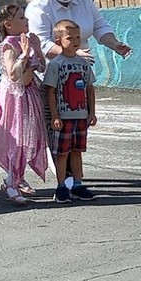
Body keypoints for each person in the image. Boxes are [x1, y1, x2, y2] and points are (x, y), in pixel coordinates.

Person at [0, 2, 48, 204]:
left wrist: (36, 50)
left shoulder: (25, 40)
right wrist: (25, 53)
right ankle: (11, 181)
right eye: (21, 17)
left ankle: (16, 177)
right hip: (14, 96)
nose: (26, 20)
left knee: (28, 138)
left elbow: (41, 66)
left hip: (28, 94)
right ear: (8, 25)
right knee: (16, 138)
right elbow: (13, 73)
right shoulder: (10, 43)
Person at [25, 0, 132, 67]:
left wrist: (114, 44)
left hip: (82, 67)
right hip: (51, 71)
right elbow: (41, 44)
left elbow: (99, 26)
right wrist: (72, 54)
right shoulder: (39, 7)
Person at [43, 19, 97, 204]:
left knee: (77, 151)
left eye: (77, 37)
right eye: (70, 37)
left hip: (80, 115)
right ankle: (60, 187)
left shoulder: (83, 63)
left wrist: (91, 112)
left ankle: (77, 184)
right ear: (59, 41)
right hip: (64, 117)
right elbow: (50, 91)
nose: (75, 41)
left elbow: (89, 88)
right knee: (62, 153)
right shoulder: (55, 64)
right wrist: (55, 115)